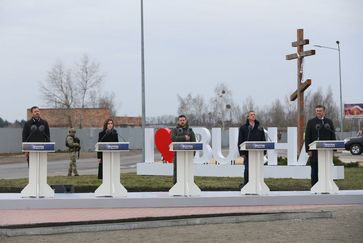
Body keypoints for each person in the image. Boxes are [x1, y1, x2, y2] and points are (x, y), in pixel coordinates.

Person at [305, 105, 336, 186]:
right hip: (314, 151)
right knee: (314, 170)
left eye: (320, 110)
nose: (318, 112)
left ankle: (326, 186)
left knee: (326, 170)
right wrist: (308, 150)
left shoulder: (329, 122)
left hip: (327, 151)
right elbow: (307, 136)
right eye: (317, 111)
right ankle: (314, 187)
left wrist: (334, 149)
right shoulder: (311, 122)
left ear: (324, 111)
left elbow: (333, 135)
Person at [237, 110, 266, 188]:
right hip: (247, 154)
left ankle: (257, 185)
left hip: (258, 153)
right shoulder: (243, 128)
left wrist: (264, 152)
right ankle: (246, 184)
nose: (253, 116)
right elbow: (240, 141)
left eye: (254, 114)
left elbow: (263, 140)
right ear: (248, 117)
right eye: (251, 115)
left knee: (258, 170)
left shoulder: (260, 128)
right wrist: (242, 154)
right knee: (247, 170)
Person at [171, 115, 196, 184]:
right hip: (178, 155)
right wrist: (184, 138)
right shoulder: (175, 130)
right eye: (180, 120)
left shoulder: (190, 131)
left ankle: (191, 185)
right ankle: (176, 186)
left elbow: (194, 143)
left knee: (189, 170)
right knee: (177, 170)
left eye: (183, 120)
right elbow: (173, 139)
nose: (182, 122)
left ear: (186, 121)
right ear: (178, 121)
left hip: (188, 154)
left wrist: (193, 154)